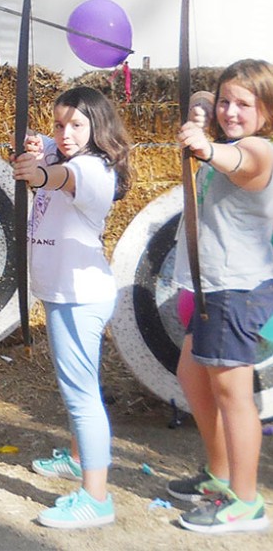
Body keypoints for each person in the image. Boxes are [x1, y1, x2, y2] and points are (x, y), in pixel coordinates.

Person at [12, 85, 133, 529]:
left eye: (76, 125)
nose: (65, 134)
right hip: (67, 293)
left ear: (97, 127)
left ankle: (96, 499)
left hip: (80, 297)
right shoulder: (63, 150)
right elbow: (47, 148)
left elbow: (66, 177)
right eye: (59, 124)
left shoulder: (93, 169)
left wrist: (41, 175)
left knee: (81, 396)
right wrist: (35, 143)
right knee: (78, 390)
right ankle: (79, 456)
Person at [167, 60, 273, 534]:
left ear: (266, 112)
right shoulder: (231, 136)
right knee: (192, 375)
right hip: (215, 286)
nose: (231, 111)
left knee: (233, 394)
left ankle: (246, 502)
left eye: (244, 105)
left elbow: (240, 163)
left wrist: (207, 146)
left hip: (237, 288)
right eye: (226, 100)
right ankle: (220, 473)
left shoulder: (258, 149)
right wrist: (203, 109)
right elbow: (213, 115)